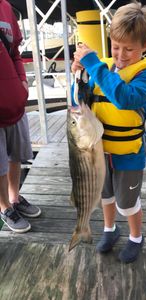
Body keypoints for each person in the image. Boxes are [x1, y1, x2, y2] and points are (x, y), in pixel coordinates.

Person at [71, 1, 146, 263]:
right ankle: (110, 230)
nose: (120, 55)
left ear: (145, 46)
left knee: (127, 203)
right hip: (99, 151)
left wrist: (94, 65)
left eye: (129, 49)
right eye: (116, 46)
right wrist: (78, 74)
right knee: (104, 196)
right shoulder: (104, 66)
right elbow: (80, 100)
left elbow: (124, 98)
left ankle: (136, 237)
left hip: (128, 154)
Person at [0, 0, 41, 233]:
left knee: (16, 154)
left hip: (15, 101)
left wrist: (23, 82)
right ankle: (4, 206)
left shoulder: (6, 7)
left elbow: (14, 50)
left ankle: (15, 198)